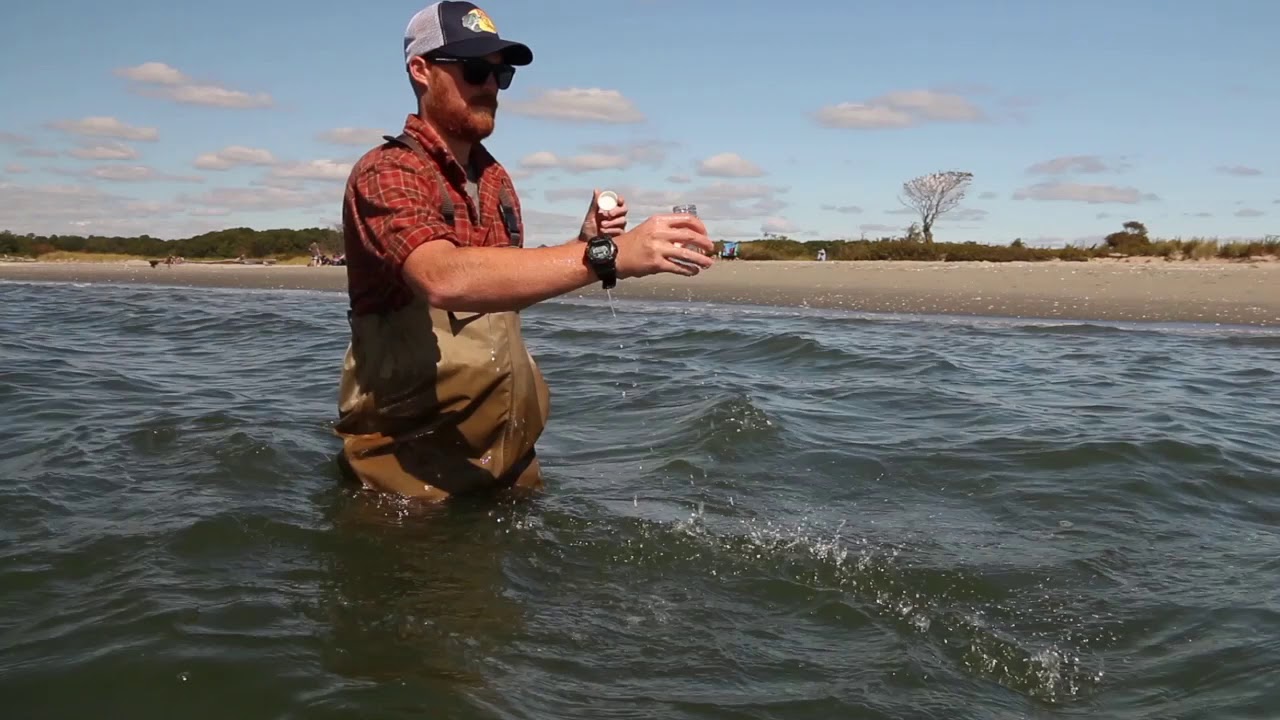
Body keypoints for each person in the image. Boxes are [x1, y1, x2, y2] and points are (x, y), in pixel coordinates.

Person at [334, 1, 716, 503]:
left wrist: (584, 244)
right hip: (407, 478)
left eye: (502, 74)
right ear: (421, 70)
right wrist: (606, 255)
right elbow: (443, 278)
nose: (491, 86)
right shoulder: (386, 171)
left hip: (508, 463)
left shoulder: (495, 179)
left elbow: (497, 284)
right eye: (475, 70)